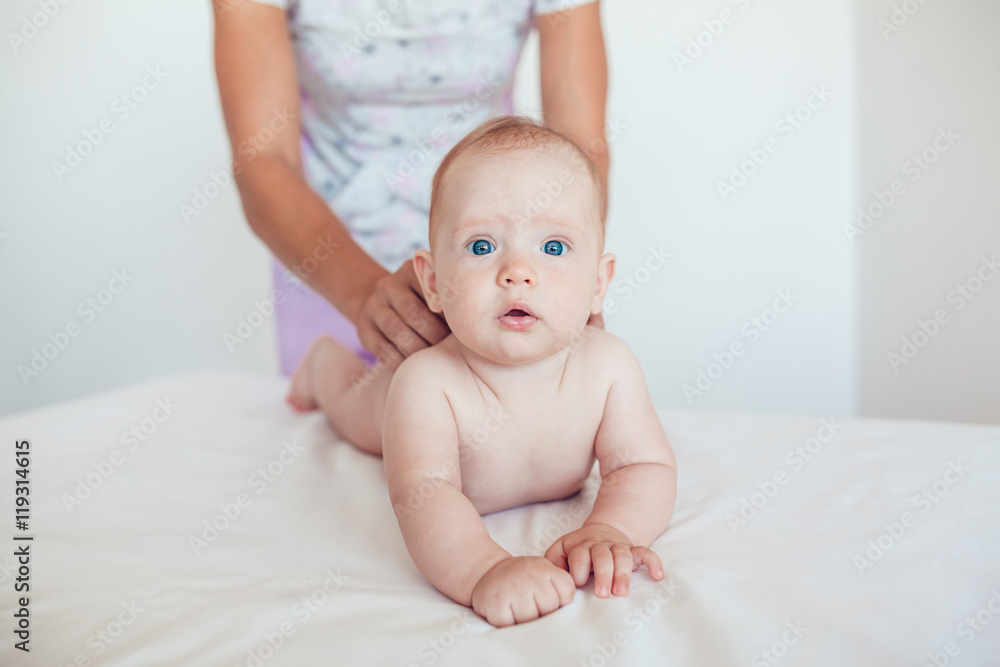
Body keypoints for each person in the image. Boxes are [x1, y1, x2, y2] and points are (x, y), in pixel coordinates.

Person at [286, 115, 677, 627]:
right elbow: (424, 496)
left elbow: (643, 467)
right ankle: (322, 365)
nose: (517, 271)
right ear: (431, 282)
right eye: (481, 246)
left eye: (553, 247)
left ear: (599, 283)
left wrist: (611, 530)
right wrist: (483, 570)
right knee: (354, 407)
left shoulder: (608, 366)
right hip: (385, 400)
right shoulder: (426, 383)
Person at [214, 0, 610, 375]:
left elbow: (578, 153)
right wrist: (365, 295)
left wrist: (564, 269)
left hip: (492, 264)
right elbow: (263, 157)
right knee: (358, 413)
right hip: (325, 261)